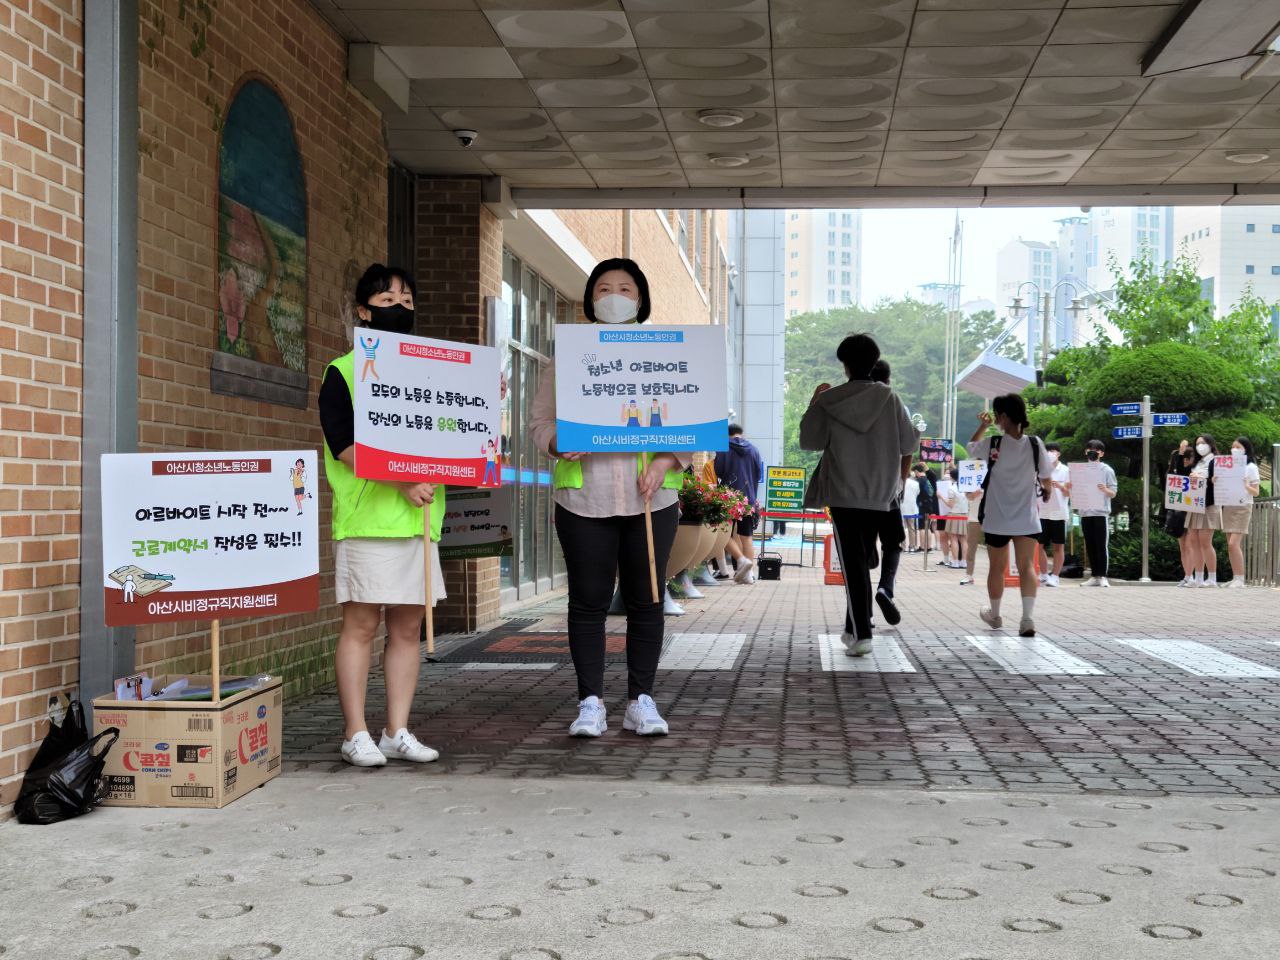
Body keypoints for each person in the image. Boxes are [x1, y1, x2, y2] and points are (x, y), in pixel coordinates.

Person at [530, 257, 688, 738]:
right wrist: (558, 442)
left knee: (647, 600)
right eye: (603, 288)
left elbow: (692, 423)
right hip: (585, 501)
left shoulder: (668, 355)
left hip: (651, 501)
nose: (614, 296)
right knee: (588, 602)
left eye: (624, 287)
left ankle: (642, 700)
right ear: (590, 299)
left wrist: (665, 461)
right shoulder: (567, 359)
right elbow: (540, 424)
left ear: (640, 299)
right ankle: (590, 702)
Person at [319, 264, 445, 767]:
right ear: (363, 311)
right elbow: (343, 443)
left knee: (408, 630)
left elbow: (452, 439)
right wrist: (402, 481)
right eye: (388, 300)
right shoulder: (342, 372)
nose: (400, 309)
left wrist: (484, 402)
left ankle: (397, 730)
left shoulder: (435, 375)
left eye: (408, 301)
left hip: (418, 523)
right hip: (368, 521)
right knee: (362, 626)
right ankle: (355, 732)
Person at [800, 333, 918, 656]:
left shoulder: (830, 400)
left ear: (845, 365)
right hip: (881, 495)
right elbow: (909, 444)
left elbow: (809, 440)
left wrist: (814, 400)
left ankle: (862, 633)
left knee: (853, 563)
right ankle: (855, 627)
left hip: (843, 494)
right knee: (862, 562)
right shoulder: (890, 398)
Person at [968, 395, 1052, 637]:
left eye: (996, 416)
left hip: (997, 518)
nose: (995, 420)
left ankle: (995, 616)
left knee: (996, 567)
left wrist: (982, 426)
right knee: (1026, 566)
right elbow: (1046, 476)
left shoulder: (993, 443)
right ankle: (1027, 619)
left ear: (1003, 417)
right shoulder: (1036, 444)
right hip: (1026, 518)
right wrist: (1046, 489)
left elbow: (972, 448)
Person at [868, 358, 906, 611]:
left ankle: (862, 615)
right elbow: (910, 443)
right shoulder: (893, 402)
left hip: (853, 491)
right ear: (889, 378)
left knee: (858, 551)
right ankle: (885, 587)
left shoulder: (849, 400)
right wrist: (901, 479)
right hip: (887, 490)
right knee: (892, 543)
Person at [714, 424, 765, 584]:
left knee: (721, 533)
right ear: (742, 434)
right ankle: (748, 576)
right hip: (748, 498)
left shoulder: (723, 448)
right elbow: (758, 474)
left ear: (727, 435)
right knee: (746, 537)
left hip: (728, 497)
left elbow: (718, 471)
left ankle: (741, 560)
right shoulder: (754, 450)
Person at [1221, 436, 1262, 589]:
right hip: (1229, 505)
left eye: (1238, 447)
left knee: (1233, 544)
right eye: (1233, 447)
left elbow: (1256, 492)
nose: (1234, 450)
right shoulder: (1228, 466)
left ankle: (1241, 579)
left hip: (1243, 506)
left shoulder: (1251, 467)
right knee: (1229, 544)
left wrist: (1245, 485)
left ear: (1245, 449)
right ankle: (1235, 577)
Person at [1078, 439, 1118, 587]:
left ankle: (1102, 576)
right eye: (1089, 449)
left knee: (1101, 545)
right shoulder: (1080, 470)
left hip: (1100, 512)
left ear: (1102, 453)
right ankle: (1094, 575)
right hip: (1086, 512)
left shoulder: (1107, 470)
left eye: (1096, 450)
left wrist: (1104, 489)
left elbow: (1113, 492)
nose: (1092, 452)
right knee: (1090, 544)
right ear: (1085, 452)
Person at [1184, 433, 1221, 587]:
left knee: (1205, 541)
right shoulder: (1198, 463)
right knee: (1194, 541)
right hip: (1195, 503)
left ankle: (1212, 578)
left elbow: (1217, 482)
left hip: (1209, 504)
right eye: (1198, 443)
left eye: (1203, 443)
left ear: (1211, 444)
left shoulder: (1217, 461)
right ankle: (1198, 578)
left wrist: (1203, 479)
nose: (1200, 446)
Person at [1036, 442, 1070, 587]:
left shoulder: (1066, 470)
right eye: (1047, 451)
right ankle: (1043, 575)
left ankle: (1055, 576)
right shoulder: (1040, 470)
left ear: (1058, 454)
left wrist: (1060, 486)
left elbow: (1070, 493)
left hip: (1059, 513)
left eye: (1053, 451)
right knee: (1039, 545)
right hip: (1042, 512)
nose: (1050, 453)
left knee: (1058, 546)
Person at [1167, 440, 1197, 586]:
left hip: (1191, 510)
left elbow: (1183, 470)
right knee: (1183, 544)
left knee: (1190, 544)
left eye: (1188, 457)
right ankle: (1187, 575)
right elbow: (1179, 470)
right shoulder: (1176, 474)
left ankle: (1191, 575)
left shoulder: (1194, 472)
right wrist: (1180, 452)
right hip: (1179, 510)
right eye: (1184, 457)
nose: (1186, 460)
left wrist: (1181, 451)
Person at [960, 473, 983, 586]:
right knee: (971, 549)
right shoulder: (971, 480)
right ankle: (969, 575)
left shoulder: (993, 477)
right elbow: (969, 496)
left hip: (991, 519)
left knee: (995, 549)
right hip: (974, 519)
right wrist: (975, 492)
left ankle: (999, 574)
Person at [902, 470, 921, 552]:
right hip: (912, 508)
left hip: (901, 507)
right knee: (912, 528)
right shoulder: (915, 483)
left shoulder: (900, 482)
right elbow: (917, 493)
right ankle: (912, 546)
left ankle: (903, 547)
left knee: (901, 528)